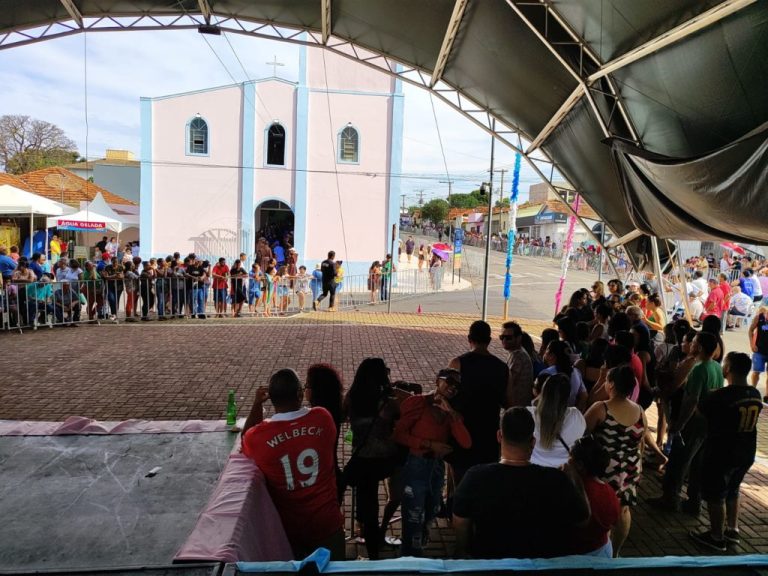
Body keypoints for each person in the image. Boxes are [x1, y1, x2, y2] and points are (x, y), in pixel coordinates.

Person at [453, 407, 589, 559]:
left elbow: (460, 519)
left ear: (499, 436)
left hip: (490, 565)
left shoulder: (475, 477)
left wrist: (464, 550)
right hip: (541, 565)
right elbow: (582, 519)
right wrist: (575, 477)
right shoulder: (556, 480)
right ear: (533, 442)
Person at [241, 369, 344, 560]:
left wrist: (256, 404)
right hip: (327, 525)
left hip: (288, 530)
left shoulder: (259, 437)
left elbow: (245, 438)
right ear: (299, 394)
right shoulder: (323, 418)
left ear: (271, 398)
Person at [689, 352, 763, 552]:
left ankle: (716, 536)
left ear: (728, 369)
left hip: (723, 450)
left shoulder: (720, 395)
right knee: (733, 489)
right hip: (747, 450)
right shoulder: (755, 394)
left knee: (716, 494)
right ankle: (733, 529)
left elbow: (699, 415)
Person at [394, 368, 471, 557]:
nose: (452, 388)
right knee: (413, 516)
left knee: (432, 509)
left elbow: (466, 443)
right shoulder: (417, 403)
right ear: (437, 381)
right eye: (448, 382)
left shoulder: (451, 413)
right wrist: (428, 444)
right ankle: (410, 558)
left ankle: (420, 539)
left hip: (436, 468)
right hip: (416, 465)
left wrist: (451, 413)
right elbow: (397, 434)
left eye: (457, 386)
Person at [650, 332, 724, 515]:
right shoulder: (716, 366)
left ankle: (670, 499)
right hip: (708, 422)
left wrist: (679, 424)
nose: (690, 344)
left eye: (693, 342)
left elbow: (691, 401)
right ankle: (694, 501)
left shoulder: (698, 369)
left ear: (698, 347)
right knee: (697, 463)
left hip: (694, 422)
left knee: (678, 462)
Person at [585, 365, 647, 556]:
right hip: (630, 467)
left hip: (604, 468)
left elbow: (582, 434)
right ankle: (615, 553)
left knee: (598, 508)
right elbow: (641, 443)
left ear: (611, 385)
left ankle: (599, 547)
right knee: (623, 510)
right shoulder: (639, 411)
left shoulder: (601, 408)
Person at [343, 358, 400, 560]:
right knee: (372, 497)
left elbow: (342, 416)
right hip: (386, 460)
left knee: (368, 501)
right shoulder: (388, 402)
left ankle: (369, 543)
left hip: (363, 460)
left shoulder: (352, 397)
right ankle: (371, 535)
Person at [447, 321, 509, 485]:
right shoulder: (502, 367)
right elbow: (507, 401)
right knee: (485, 484)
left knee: (460, 482)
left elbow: (445, 397)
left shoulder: (457, 364)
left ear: (469, 338)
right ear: (489, 340)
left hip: (462, 432)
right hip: (489, 434)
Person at [567, 436, 620, 557]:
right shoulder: (609, 492)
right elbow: (614, 522)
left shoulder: (571, 491)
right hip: (602, 551)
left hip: (573, 554)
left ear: (579, 465)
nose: (568, 461)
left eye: (570, 458)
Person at [528, 374, 586, 468]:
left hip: (532, 470)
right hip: (562, 473)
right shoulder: (576, 416)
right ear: (568, 396)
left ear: (543, 391)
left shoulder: (528, 414)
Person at [540, 340, 588, 411]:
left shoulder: (546, 373)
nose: (544, 352)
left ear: (552, 356)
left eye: (546, 350)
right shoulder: (576, 372)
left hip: (549, 415)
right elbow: (584, 396)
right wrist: (575, 411)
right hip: (568, 415)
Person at [499, 321, 534, 407]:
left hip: (517, 408)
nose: (504, 340)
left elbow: (507, 382)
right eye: (502, 337)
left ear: (518, 338)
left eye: (508, 338)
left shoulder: (518, 355)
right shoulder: (517, 352)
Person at [748, 306, 768, 402]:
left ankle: (767, 396)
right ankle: (753, 390)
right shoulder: (760, 318)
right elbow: (751, 330)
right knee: (756, 372)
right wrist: (752, 344)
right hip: (759, 350)